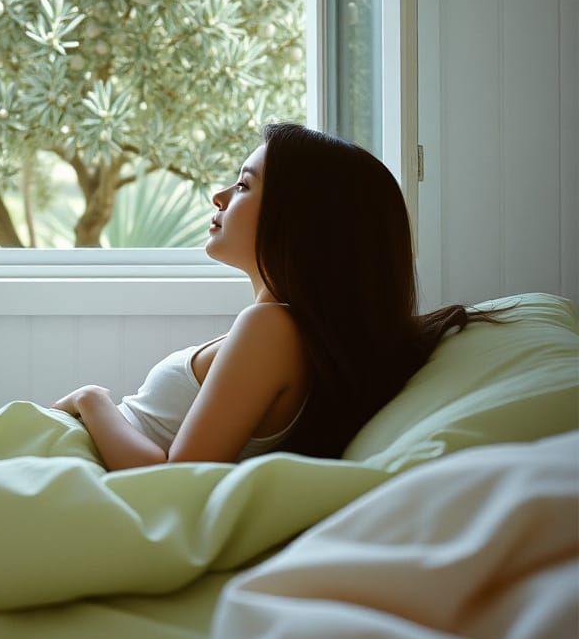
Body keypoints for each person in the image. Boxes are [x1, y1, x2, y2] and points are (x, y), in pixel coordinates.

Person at [51, 121, 519, 471]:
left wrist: (92, 399)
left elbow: (178, 479)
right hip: (70, 455)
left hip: (79, 462)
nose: (219, 196)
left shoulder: (271, 328)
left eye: (243, 185)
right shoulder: (278, 327)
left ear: (299, 221)